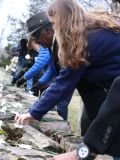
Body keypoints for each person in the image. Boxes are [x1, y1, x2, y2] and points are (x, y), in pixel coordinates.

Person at [15, 0, 120, 159]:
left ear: (64, 20)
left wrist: (33, 113)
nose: (54, 28)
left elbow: (63, 83)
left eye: (54, 23)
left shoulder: (85, 41)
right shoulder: (90, 32)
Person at [16, 12, 72, 121]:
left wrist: (33, 113)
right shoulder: (51, 45)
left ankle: (62, 124)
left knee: (61, 104)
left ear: (48, 31)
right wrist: (40, 83)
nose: (36, 41)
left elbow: (40, 65)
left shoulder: (63, 44)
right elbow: (53, 69)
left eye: (36, 37)